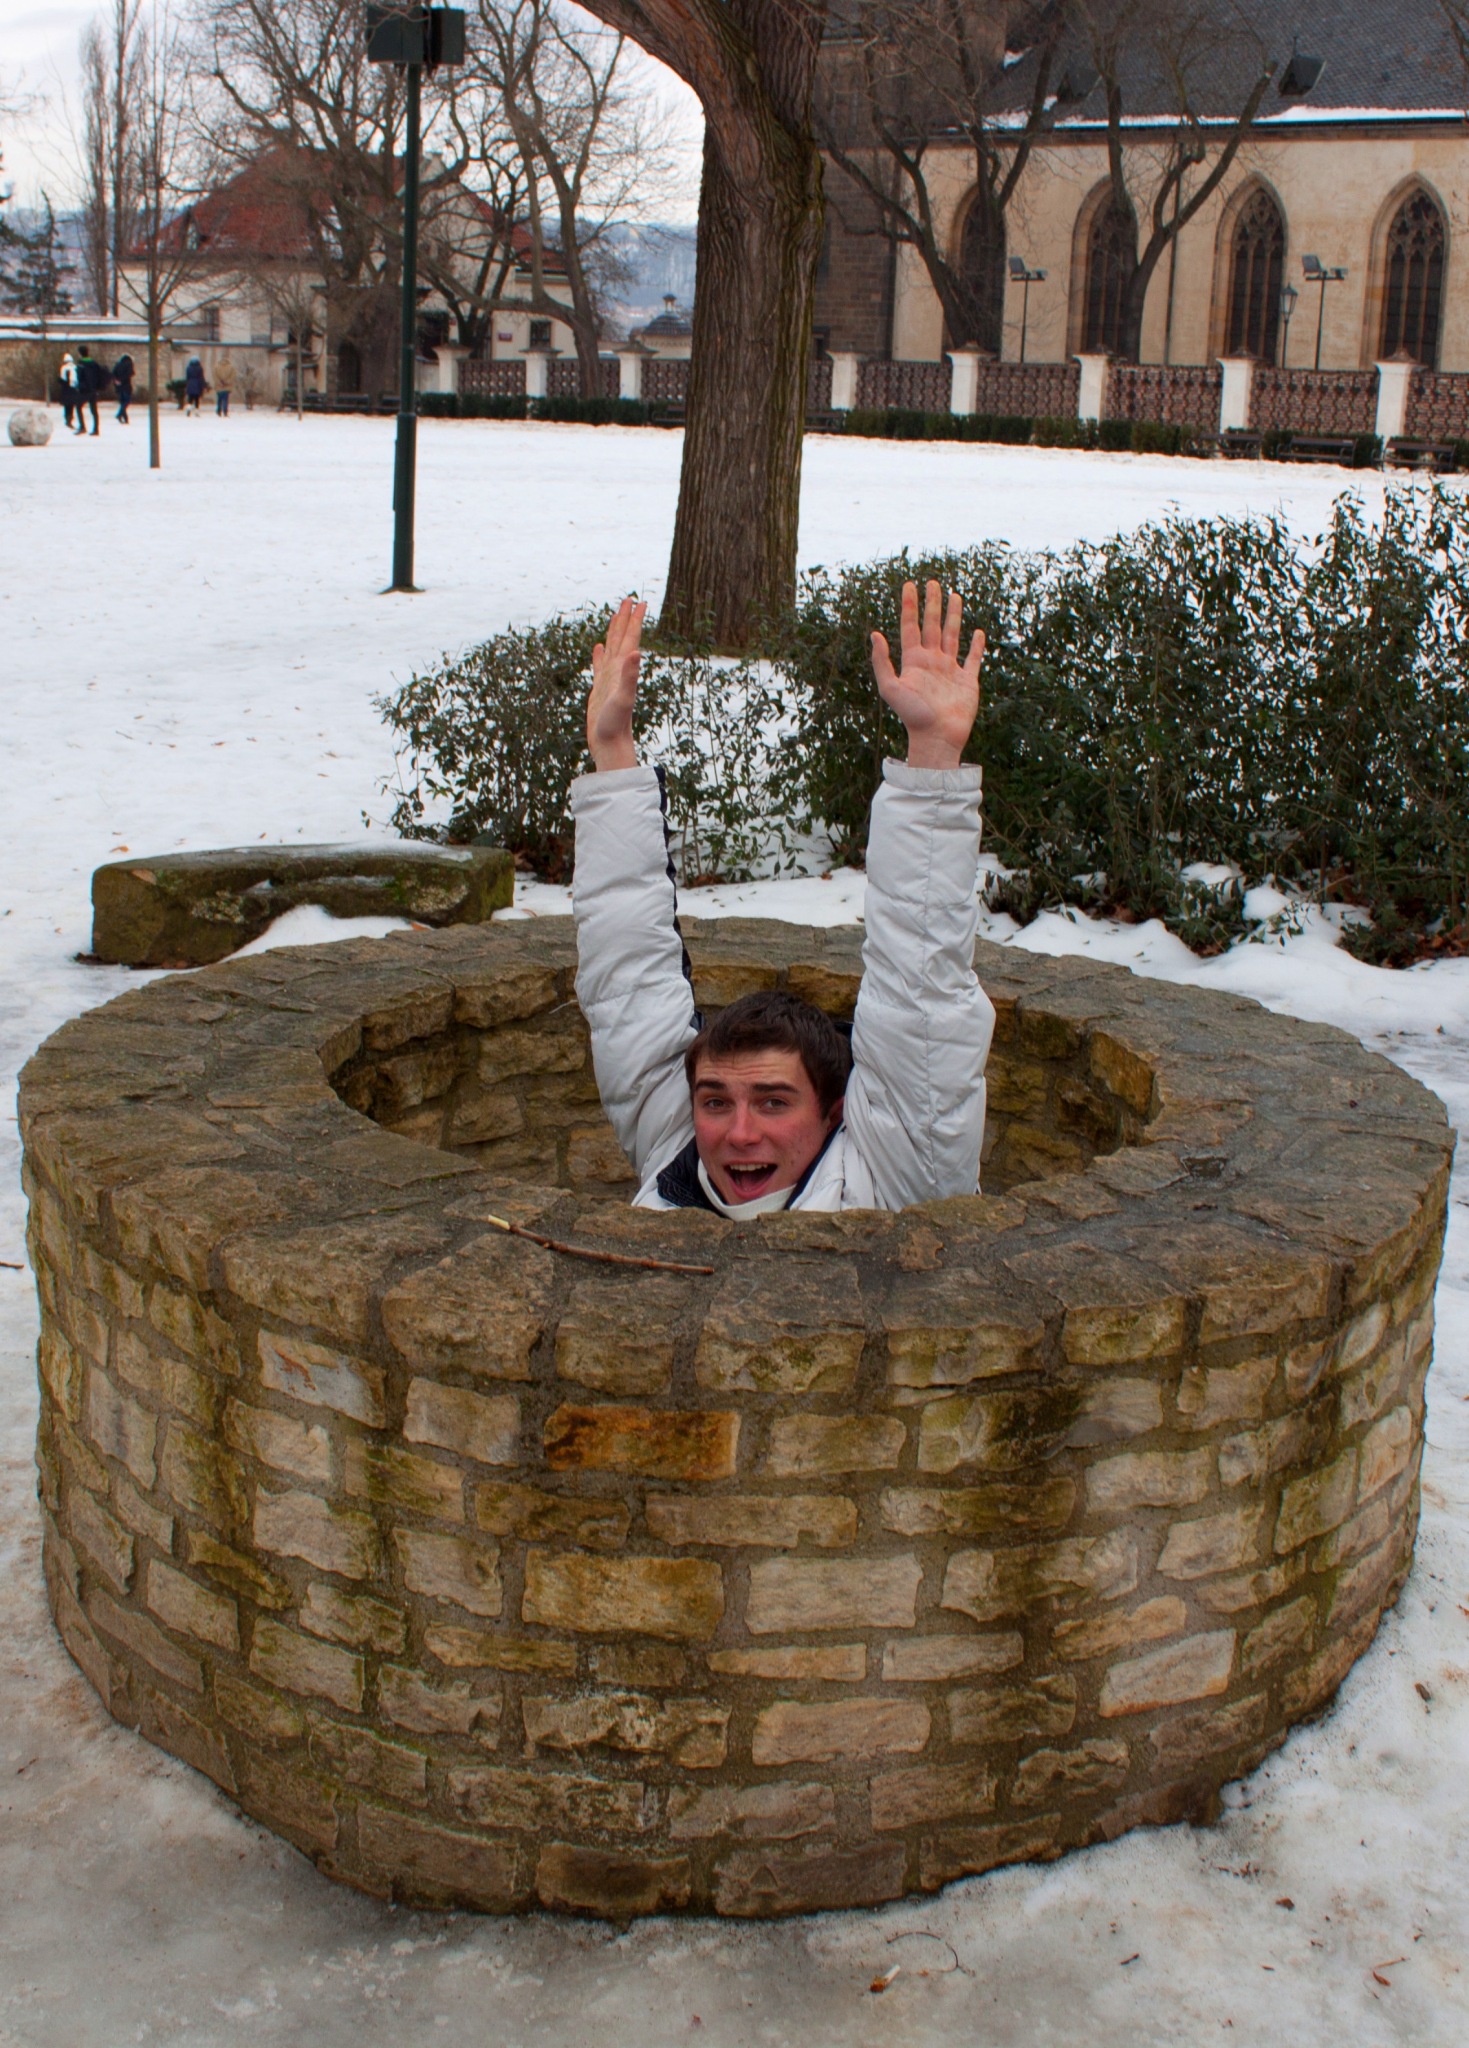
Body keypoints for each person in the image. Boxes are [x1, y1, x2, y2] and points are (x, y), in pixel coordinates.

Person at [571, 581, 995, 1216]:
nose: (739, 1134)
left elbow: (923, 997)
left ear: (833, 1113)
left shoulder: (895, 1185)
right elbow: (627, 983)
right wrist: (611, 755)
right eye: (715, 1101)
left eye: (773, 1101)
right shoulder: (676, 1146)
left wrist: (932, 757)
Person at [73, 345, 103, 436]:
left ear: (80, 353)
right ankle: (96, 429)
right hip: (93, 389)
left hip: (84, 390)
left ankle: (82, 427)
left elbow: (79, 377)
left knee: (78, 407)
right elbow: (99, 375)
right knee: (94, 410)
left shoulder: (80, 364)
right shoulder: (94, 363)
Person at [112, 353, 135, 424]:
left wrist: (116, 380)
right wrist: (122, 379)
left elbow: (113, 373)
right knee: (127, 401)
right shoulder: (129, 364)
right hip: (126, 385)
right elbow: (131, 373)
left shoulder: (118, 364)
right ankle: (119, 414)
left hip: (119, 385)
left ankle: (125, 418)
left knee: (122, 402)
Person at [58, 352, 79, 432]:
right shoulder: (75, 367)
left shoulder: (64, 368)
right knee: (72, 405)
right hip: (73, 389)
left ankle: (67, 419)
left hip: (66, 389)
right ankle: (70, 418)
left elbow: (62, 379)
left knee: (67, 406)